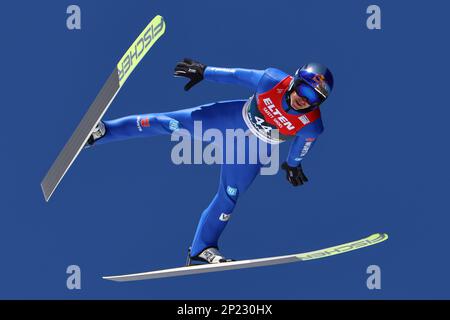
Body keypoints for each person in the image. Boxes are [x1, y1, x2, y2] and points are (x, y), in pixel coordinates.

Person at [86, 59, 334, 265]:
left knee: (229, 195)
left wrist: (293, 164)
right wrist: (205, 72)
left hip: (250, 149)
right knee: (168, 122)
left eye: (314, 97)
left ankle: (201, 249)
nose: (304, 99)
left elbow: (302, 145)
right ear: (293, 82)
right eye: (303, 90)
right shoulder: (272, 81)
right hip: (228, 120)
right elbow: (237, 76)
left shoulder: (312, 124)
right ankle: (104, 131)